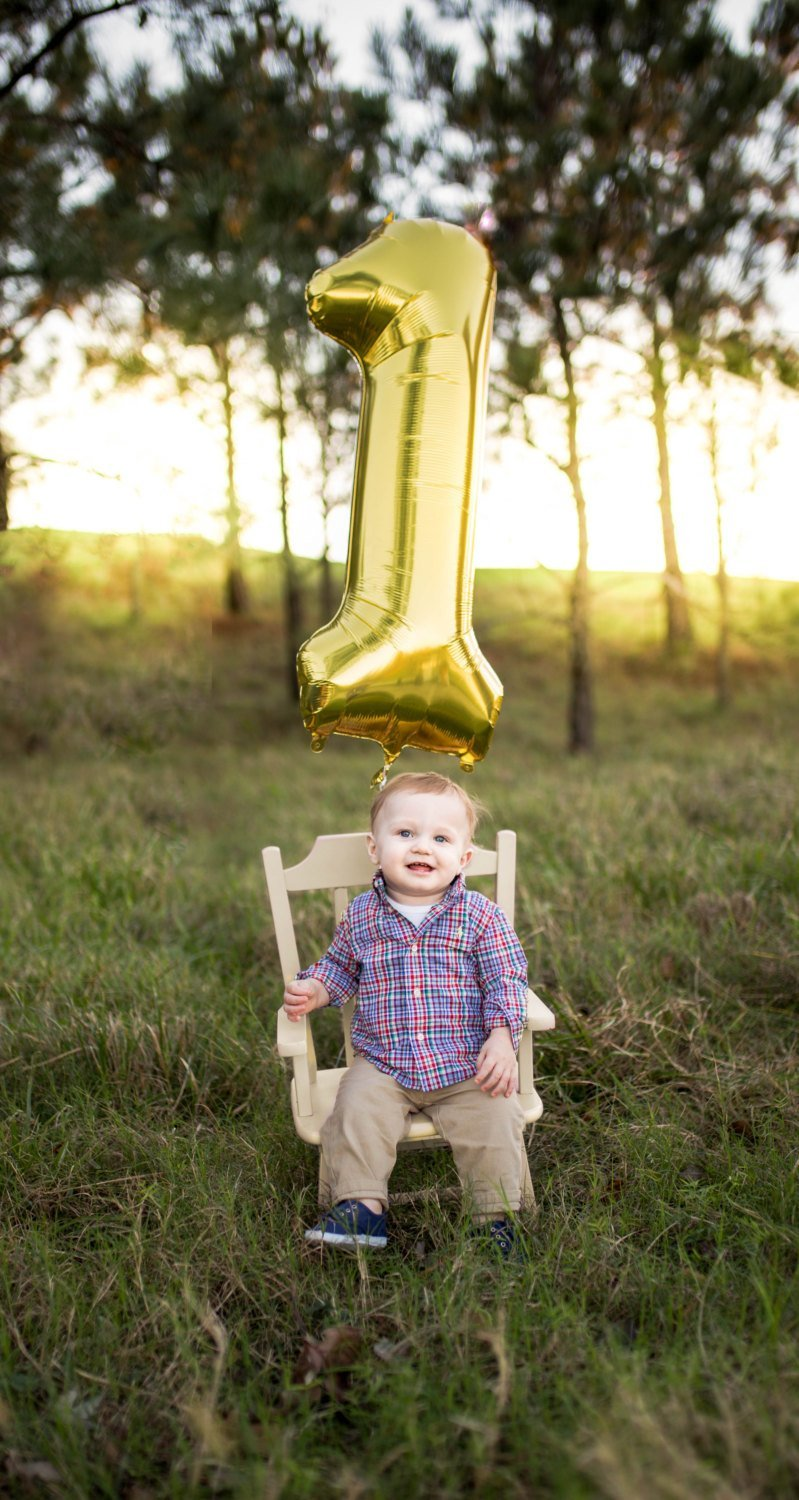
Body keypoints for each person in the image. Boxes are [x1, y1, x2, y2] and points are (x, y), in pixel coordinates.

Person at [283, 771, 529, 1257]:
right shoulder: (361, 915)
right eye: (405, 834)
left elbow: (507, 978)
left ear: (464, 858)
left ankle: (493, 1219)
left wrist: (501, 1036)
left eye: (440, 838)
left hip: (465, 1064)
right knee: (353, 1112)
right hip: (383, 1064)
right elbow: (341, 967)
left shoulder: (481, 917)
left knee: (497, 1117)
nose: (422, 847)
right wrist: (315, 988)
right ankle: (361, 1208)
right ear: (374, 849)